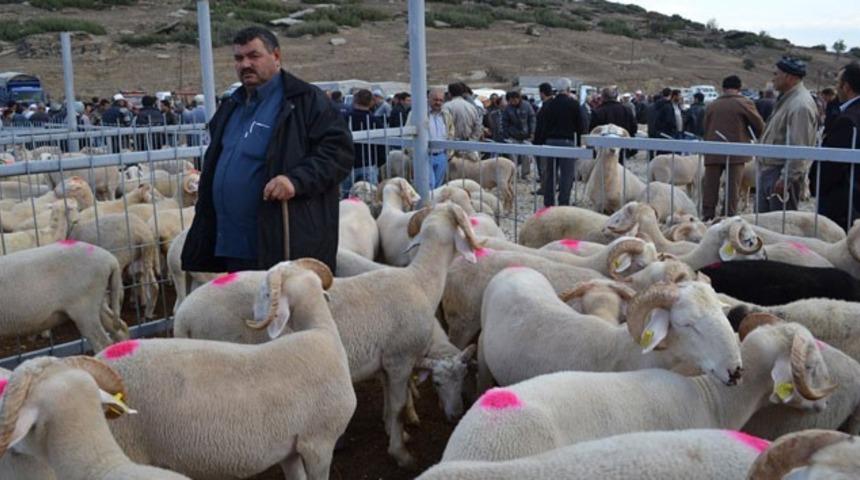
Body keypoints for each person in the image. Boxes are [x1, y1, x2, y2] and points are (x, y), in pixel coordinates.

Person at [182, 26, 353, 274]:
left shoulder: (304, 100)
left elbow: (339, 153)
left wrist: (295, 180)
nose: (245, 64)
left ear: (276, 56)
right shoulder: (232, 105)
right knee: (244, 310)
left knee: (283, 311)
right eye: (239, 58)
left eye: (254, 56)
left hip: (281, 241)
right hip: (231, 244)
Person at [756, 56, 819, 213]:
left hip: (780, 173)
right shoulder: (788, 100)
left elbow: (799, 146)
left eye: (776, 74)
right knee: (765, 226)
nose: (773, 78)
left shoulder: (800, 105)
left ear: (789, 77)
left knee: (780, 227)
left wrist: (786, 178)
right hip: (771, 171)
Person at [701, 75, 765, 220]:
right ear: (739, 88)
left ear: (723, 88)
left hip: (713, 150)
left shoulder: (712, 105)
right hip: (736, 152)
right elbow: (759, 125)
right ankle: (728, 218)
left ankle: (707, 217)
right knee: (732, 189)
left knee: (710, 188)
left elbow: (704, 127)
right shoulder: (744, 103)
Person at [811, 62, 860, 230]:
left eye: (838, 82)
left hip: (842, 201)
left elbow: (833, 163)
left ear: (846, 86)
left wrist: (816, 184)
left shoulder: (848, 119)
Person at [533, 77, 584, 207]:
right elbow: (581, 126)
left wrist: (539, 142)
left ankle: (548, 203)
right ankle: (563, 202)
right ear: (568, 89)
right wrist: (580, 143)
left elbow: (541, 124)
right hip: (567, 142)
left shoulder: (548, 104)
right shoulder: (574, 104)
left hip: (549, 142)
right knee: (566, 175)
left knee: (550, 174)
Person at [407, 88, 454, 189]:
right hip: (424, 156)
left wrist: (449, 152)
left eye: (441, 100)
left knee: (438, 186)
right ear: (428, 99)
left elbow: (451, 132)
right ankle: (426, 204)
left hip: (442, 155)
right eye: (435, 99)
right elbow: (408, 133)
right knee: (429, 185)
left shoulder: (446, 115)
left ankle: (433, 205)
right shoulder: (417, 113)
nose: (438, 102)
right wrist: (413, 153)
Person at [341, 89, 385, 196]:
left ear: (355, 100)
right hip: (369, 164)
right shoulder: (375, 121)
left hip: (347, 164)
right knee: (369, 198)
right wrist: (379, 162)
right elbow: (381, 146)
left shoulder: (343, 118)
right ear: (371, 102)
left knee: (348, 198)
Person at [502, 90, 536, 178]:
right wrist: (506, 135)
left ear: (518, 98)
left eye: (514, 100)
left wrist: (532, 132)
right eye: (511, 100)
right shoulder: (508, 108)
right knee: (513, 157)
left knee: (527, 156)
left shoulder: (527, 106)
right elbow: (504, 122)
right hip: (513, 136)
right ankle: (514, 173)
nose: (513, 102)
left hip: (526, 136)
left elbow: (532, 119)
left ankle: (525, 173)